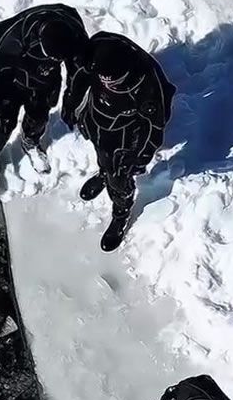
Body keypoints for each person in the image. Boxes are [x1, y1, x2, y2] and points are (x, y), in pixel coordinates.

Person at [62, 32, 175, 252]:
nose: (108, 83)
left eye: (112, 81)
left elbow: (154, 127)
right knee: (101, 154)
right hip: (96, 118)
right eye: (104, 79)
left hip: (125, 134)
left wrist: (140, 156)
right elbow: (83, 75)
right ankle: (103, 173)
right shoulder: (98, 49)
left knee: (119, 177)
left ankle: (121, 211)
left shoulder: (146, 86)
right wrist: (71, 101)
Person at [0, 4, 89, 188]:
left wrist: (71, 102)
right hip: (12, 77)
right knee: (1, 124)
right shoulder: (12, 39)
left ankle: (30, 140)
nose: (57, 61)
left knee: (39, 115)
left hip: (44, 79)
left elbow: (78, 72)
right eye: (53, 57)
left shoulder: (74, 34)